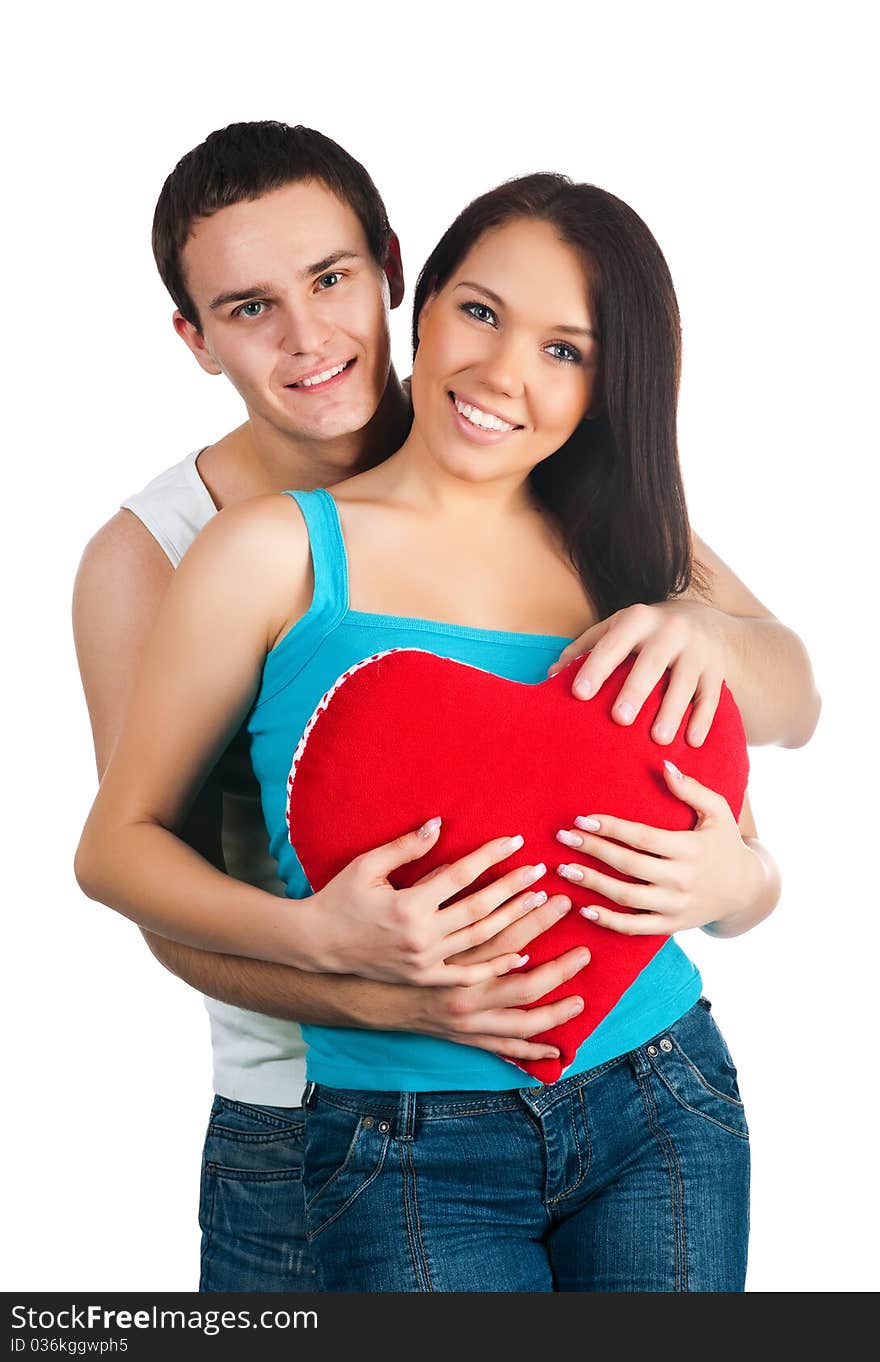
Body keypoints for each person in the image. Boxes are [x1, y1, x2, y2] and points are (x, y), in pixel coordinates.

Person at [73, 132, 819, 1292]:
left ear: (388, 274)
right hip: (329, 1104)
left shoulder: (548, 465)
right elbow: (138, 871)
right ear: (196, 338)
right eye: (250, 306)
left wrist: (746, 874)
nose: (310, 339)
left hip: (652, 1078)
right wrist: (354, 970)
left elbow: (777, 706)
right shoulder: (186, 553)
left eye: (328, 281)